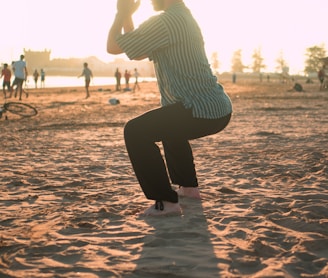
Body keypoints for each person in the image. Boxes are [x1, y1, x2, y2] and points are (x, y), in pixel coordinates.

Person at [107, 0, 232, 216]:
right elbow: (136, 50)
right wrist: (128, 15)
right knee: (169, 123)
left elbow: (113, 47)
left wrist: (121, 13)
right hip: (216, 107)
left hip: (200, 109)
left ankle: (166, 202)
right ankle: (188, 189)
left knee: (135, 131)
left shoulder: (166, 22)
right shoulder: (182, 17)